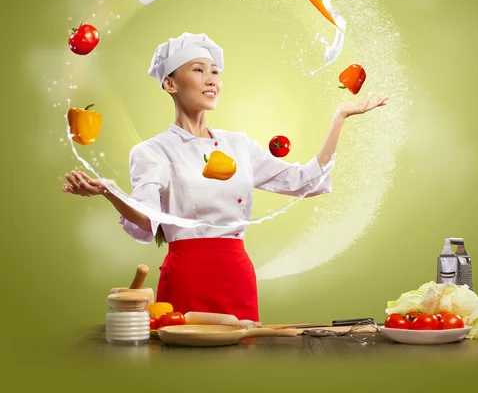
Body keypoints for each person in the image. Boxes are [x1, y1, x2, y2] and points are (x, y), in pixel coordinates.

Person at [62, 32, 388, 321]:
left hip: (236, 273)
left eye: (215, 72)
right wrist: (111, 191)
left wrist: (339, 118)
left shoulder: (239, 145)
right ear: (170, 83)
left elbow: (305, 181)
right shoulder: (152, 151)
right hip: (187, 275)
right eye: (198, 70)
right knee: (183, 365)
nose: (211, 80)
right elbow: (148, 221)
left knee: (241, 363)